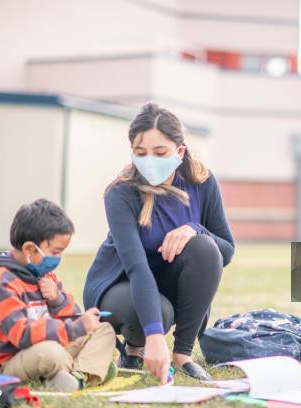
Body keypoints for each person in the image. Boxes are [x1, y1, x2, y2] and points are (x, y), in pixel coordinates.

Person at [83, 102, 234, 383]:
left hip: (166, 284)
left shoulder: (202, 181)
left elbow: (226, 251)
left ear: (180, 151)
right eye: (141, 153)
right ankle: (136, 346)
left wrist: (194, 229)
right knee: (159, 313)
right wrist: (154, 336)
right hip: (119, 285)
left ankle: (183, 355)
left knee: (204, 246)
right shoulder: (121, 193)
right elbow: (137, 268)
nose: (150, 159)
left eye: (160, 152)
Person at [0, 199, 116, 391]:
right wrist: (75, 329)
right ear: (30, 249)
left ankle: (77, 375)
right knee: (52, 353)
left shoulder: (45, 275)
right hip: (8, 363)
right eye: (55, 252)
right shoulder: (1, 281)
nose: (58, 259)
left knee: (102, 329)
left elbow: (73, 315)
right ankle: (85, 369)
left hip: (46, 346)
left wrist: (57, 299)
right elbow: (22, 335)